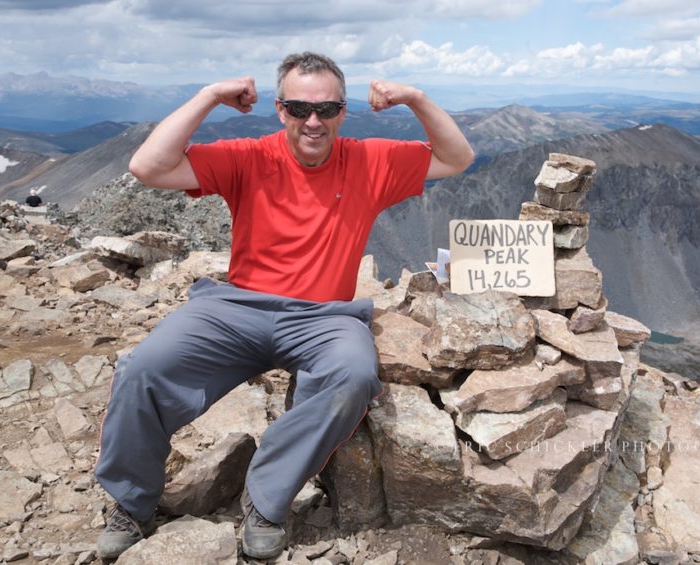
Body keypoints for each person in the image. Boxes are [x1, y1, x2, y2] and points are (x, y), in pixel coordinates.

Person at [94, 51, 474, 560]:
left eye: (326, 109)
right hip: (237, 307)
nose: (312, 121)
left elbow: (455, 158)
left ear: (343, 112)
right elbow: (147, 167)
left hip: (324, 318)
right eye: (298, 109)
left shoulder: (370, 160)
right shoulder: (249, 156)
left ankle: (266, 497)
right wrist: (209, 95)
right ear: (280, 110)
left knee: (354, 375)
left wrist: (417, 99)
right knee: (142, 368)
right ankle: (131, 501)